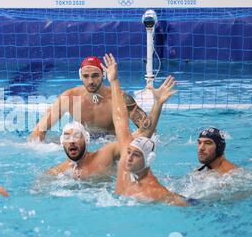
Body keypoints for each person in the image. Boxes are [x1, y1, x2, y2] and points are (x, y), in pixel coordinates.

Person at [47, 74, 178, 182]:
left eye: (76, 135)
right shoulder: (60, 171)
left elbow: (144, 133)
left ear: (86, 139)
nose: (72, 140)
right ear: (61, 142)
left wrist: (158, 104)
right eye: (67, 137)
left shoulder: (106, 155)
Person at [105, 53, 190, 206]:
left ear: (147, 160)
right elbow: (119, 119)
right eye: (129, 152)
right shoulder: (126, 160)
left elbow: (187, 205)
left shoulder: (155, 192)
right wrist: (114, 81)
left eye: (135, 155)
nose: (128, 157)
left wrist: (158, 104)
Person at [29, 56, 148, 142]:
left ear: (104, 75)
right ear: (81, 76)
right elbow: (39, 130)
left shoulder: (120, 98)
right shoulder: (69, 98)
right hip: (82, 145)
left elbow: (147, 129)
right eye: (86, 76)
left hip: (112, 144)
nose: (90, 81)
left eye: (95, 75)